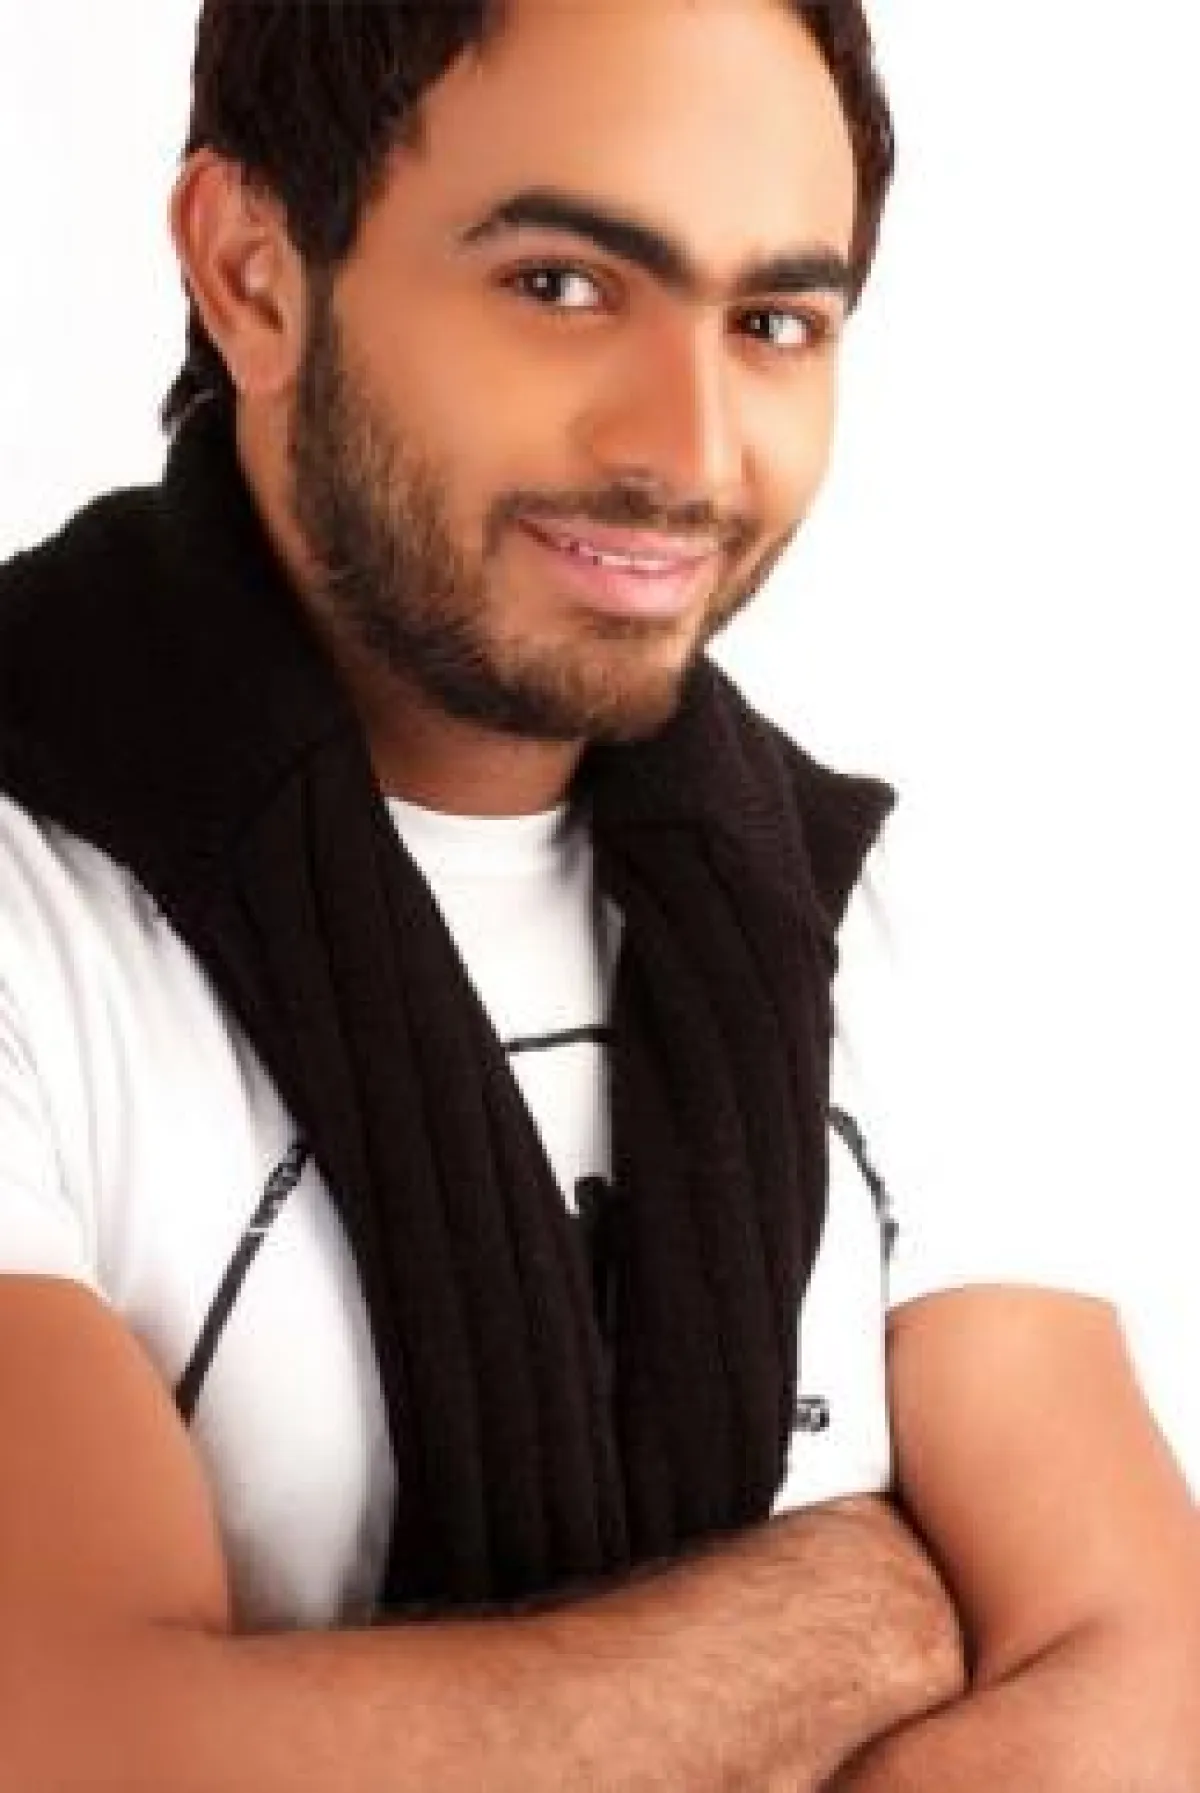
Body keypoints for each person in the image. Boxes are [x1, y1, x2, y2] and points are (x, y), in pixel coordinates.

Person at [0, 0, 1195, 1787]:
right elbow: (80, 1746)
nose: (688, 453)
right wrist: (842, 1623)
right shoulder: (35, 891)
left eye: (773, 322)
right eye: (561, 284)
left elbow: (1141, 1683)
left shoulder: (851, 912)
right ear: (253, 272)